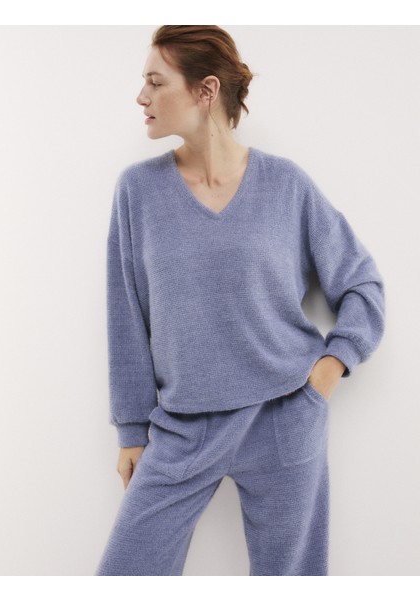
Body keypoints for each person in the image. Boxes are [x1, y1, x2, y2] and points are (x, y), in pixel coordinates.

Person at [95, 25, 385, 576]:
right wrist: (131, 430)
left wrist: (327, 372)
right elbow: (125, 315)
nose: (141, 97)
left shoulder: (286, 185)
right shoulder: (138, 191)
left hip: (283, 415)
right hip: (182, 428)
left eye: (156, 82)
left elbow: (362, 284)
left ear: (206, 90)